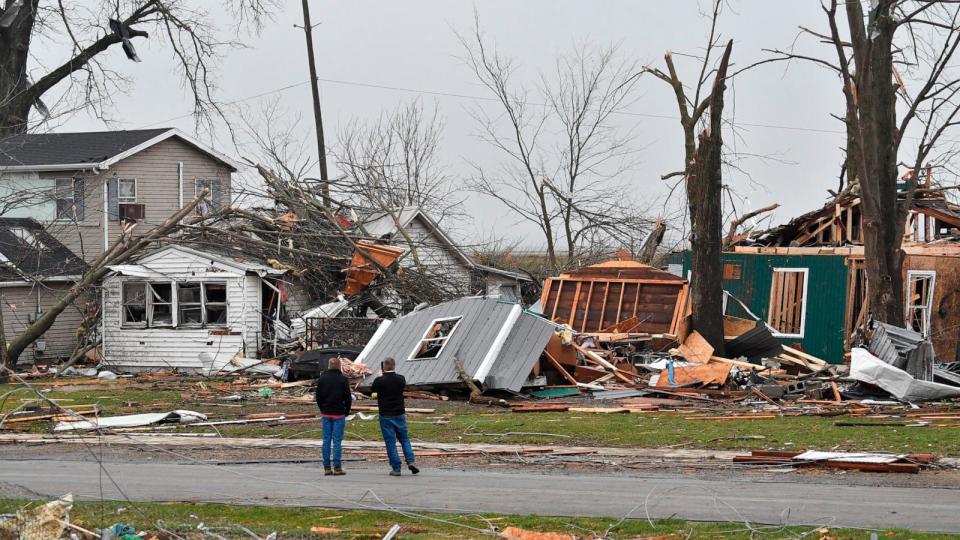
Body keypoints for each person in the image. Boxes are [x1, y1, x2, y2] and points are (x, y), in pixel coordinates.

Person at [371, 357, 419, 476]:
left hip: (385, 414)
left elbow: (373, 392)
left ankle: (396, 467)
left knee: (390, 441)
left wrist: (380, 376)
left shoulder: (379, 380)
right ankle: (410, 460)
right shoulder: (401, 379)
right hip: (399, 412)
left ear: (384, 366)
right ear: (394, 365)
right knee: (404, 438)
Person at [315, 356, 352, 476]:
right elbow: (347, 397)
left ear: (329, 366)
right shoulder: (343, 379)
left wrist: (322, 408)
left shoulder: (322, 378)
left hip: (326, 412)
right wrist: (346, 410)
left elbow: (318, 397)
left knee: (326, 440)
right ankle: (337, 467)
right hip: (339, 413)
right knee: (337, 441)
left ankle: (326, 467)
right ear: (339, 366)